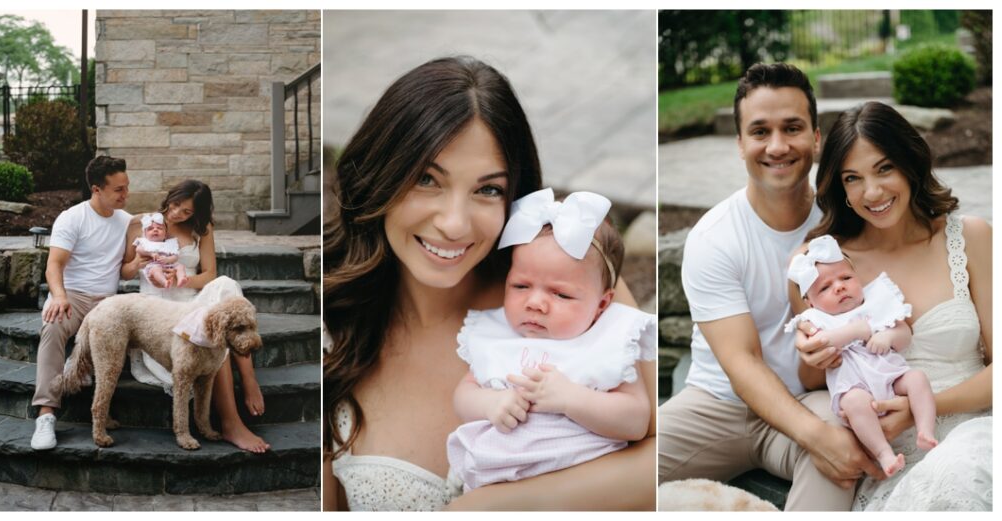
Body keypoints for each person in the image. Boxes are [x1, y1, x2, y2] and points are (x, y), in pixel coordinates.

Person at [323, 56, 656, 511]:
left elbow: (659, 454)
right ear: (380, 174)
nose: (455, 224)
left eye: (488, 190)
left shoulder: (573, 292)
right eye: (426, 179)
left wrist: (491, 509)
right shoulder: (332, 327)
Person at [657, 62, 882, 512]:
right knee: (613, 463)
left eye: (792, 128)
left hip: (816, 398)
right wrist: (816, 436)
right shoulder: (714, 236)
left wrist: (823, 435)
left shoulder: (845, 223)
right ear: (739, 143)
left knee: (841, 454)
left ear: (816, 137)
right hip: (715, 405)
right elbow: (742, 362)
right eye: (760, 131)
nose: (777, 146)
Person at [795, 101, 991, 511]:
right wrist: (816, 353)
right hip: (891, 456)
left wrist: (926, 407)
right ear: (840, 188)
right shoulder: (821, 264)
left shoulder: (970, 237)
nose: (873, 192)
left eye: (884, 168)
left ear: (910, 163)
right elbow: (813, 381)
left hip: (978, 431)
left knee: (957, 474)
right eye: (853, 178)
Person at [447, 188, 655, 492]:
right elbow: (462, 395)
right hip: (491, 480)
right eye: (520, 286)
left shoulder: (607, 342)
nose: (535, 303)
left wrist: (572, 399)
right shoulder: (497, 336)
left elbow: (636, 420)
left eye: (560, 293)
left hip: (581, 486)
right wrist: (490, 402)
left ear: (601, 305)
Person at [120, 180, 270, 454]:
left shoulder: (202, 229)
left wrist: (183, 280)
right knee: (208, 337)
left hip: (190, 300)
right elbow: (124, 272)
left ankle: (249, 379)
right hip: (159, 314)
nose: (177, 214)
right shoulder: (143, 224)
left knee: (225, 285)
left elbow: (209, 275)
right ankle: (231, 423)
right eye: (175, 205)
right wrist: (139, 263)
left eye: (186, 212)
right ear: (170, 198)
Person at [785, 235, 937, 476]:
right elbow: (821, 343)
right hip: (854, 386)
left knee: (917, 378)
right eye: (825, 287)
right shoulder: (815, 320)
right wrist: (856, 331)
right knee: (854, 402)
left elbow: (904, 333)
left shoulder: (874, 304)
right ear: (810, 303)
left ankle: (926, 430)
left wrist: (888, 337)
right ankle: (883, 453)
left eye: (846, 278)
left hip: (891, 377)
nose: (839, 286)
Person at [30, 155, 132, 450]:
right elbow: (54, 265)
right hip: (72, 293)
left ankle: (99, 404)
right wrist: (59, 296)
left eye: (127, 187)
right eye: (119, 190)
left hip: (106, 301)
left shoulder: (126, 221)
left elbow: (125, 269)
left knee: (115, 333)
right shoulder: (72, 217)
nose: (126, 194)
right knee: (52, 327)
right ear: (96, 189)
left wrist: (139, 260)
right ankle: (46, 414)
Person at [133, 212, 188, 289]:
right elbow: (138, 249)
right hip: (153, 265)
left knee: (180, 266)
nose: (155, 230)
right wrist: (151, 254)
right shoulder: (145, 242)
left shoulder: (169, 244)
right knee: (156, 270)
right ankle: (165, 282)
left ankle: (181, 279)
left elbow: (175, 256)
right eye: (150, 229)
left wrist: (168, 259)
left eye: (159, 228)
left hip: (169, 265)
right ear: (145, 234)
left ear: (165, 234)